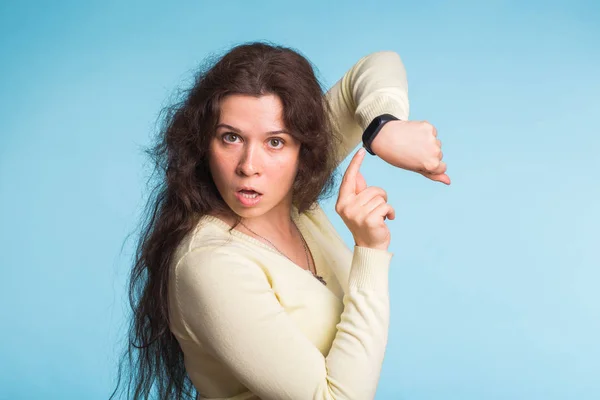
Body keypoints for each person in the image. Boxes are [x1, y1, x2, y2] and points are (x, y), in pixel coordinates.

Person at [111, 41, 449, 400]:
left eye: (275, 142)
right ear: (202, 143)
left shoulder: (291, 196)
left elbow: (379, 64)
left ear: (304, 148)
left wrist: (383, 127)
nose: (249, 166)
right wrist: (370, 252)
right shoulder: (208, 264)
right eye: (231, 138)